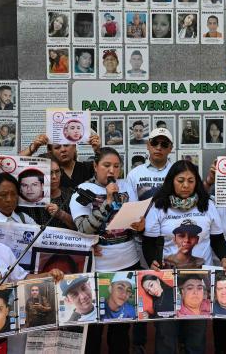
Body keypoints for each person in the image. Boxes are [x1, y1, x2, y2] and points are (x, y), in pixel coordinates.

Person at [143, 160, 226, 354]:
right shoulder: (160, 206)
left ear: (197, 182)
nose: (186, 185)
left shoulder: (207, 205)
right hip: (167, 281)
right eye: (181, 180)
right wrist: (152, 260)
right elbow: (149, 241)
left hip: (199, 280)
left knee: (196, 334)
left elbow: (217, 238)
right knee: (166, 334)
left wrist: (225, 257)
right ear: (172, 181)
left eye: (191, 181)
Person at [69, 147, 141, 353]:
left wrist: (140, 224)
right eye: (106, 165)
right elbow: (84, 229)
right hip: (98, 266)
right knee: (94, 325)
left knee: (121, 324)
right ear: (95, 166)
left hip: (128, 261)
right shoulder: (82, 191)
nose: (112, 171)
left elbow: (134, 218)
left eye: (116, 166)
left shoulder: (127, 185)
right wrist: (108, 201)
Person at [22, 132, 100, 189]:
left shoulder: (87, 167)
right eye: (57, 147)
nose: (63, 149)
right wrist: (33, 147)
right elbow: (13, 164)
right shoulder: (44, 167)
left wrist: (97, 150)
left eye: (66, 145)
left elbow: (108, 169)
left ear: (75, 146)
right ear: (50, 151)